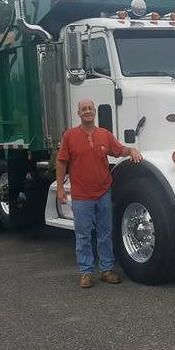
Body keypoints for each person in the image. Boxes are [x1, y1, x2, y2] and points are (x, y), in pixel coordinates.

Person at [56, 99, 143, 288]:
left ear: (94, 112)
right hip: (81, 196)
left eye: (90, 109)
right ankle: (86, 272)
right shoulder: (70, 136)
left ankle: (106, 270)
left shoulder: (104, 135)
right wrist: (61, 189)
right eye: (83, 109)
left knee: (105, 233)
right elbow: (62, 162)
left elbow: (119, 150)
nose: (87, 112)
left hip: (103, 192)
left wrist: (132, 150)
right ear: (78, 113)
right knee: (83, 235)